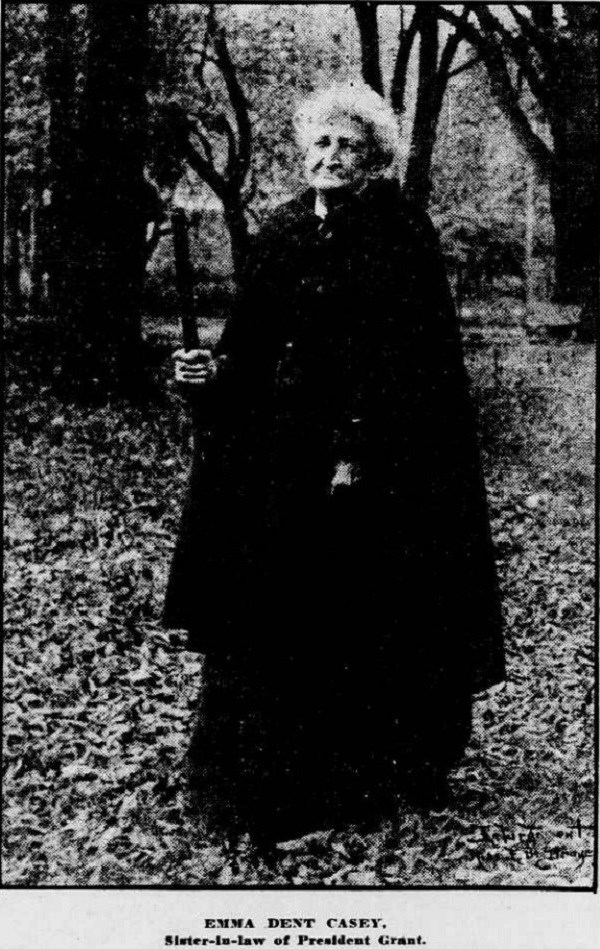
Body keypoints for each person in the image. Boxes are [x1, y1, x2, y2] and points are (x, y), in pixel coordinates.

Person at [165, 82, 505, 846]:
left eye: (348, 146)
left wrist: (356, 453)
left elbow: (410, 367)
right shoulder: (283, 232)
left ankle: (360, 774)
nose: (331, 156)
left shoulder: (398, 235)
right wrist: (205, 378)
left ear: (373, 158)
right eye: (321, 143)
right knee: (272, 609)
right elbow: (247, 353)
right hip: (279, 462)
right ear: (303, 152)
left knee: (355, 612)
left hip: (376, 468)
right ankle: (261, 773)